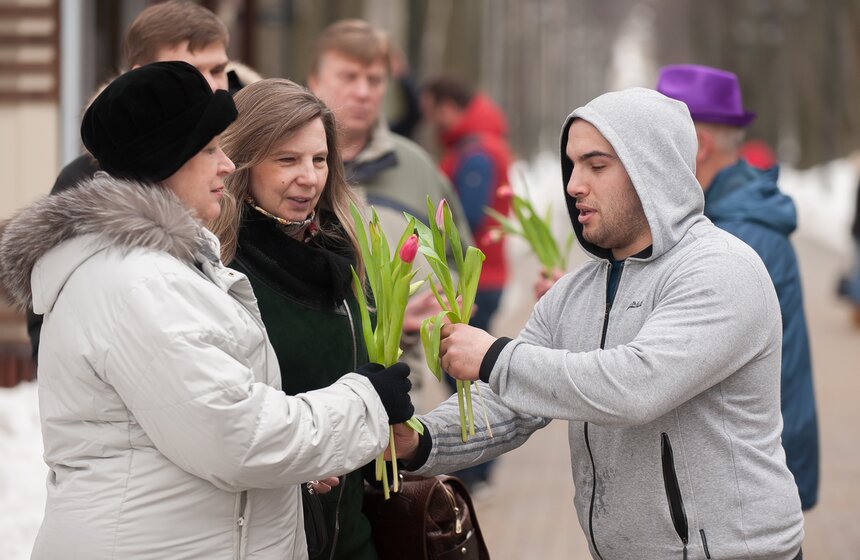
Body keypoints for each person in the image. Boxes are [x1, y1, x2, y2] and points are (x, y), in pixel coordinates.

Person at [0, 61, 414, 559]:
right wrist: (366, 402)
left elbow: (194, 437)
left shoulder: (163, 267)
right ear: (166, 161)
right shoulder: (137, 284)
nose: (226, 164)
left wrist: (291, 475)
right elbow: (238, 439)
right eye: (210, 149)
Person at [392, 88, 805, 560]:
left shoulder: (720, 269)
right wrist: (421, 440)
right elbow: (509, 403)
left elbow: (635, 386)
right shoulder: (576, 293)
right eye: (572, 165)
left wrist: (493, 356)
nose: (573, 184)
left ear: (652, 170)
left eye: (597, 165)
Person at [209, 78, 398, 559]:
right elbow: (226, 424)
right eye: (287, 160)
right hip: (268, 536)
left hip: (350, 533)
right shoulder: (223, 272)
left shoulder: (343, 253)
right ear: (243, 164)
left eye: (318, 159)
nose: (309, 177)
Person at [26, 0, 252, 363]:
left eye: (219, 69)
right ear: (141, 75)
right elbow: (53, 326)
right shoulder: (86, 180)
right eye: (189, 71)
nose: (209, 85)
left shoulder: (254, 158)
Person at [657, 63, 819, 510]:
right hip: (754, 464)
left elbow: (674, 358)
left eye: (658, 140)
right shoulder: (730, 219)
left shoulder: (736, 238)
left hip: (749, 478)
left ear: (699, 145)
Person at [306, 19, 473, 251]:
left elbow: (460, 261)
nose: (363, 92)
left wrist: (447, 287)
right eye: (349, 77)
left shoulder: (419, 169)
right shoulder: (285, 166)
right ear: (315, 81)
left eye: (374, 80)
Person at [420, 76, 513, 490]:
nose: (431, 120)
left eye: (433, 109)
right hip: (482, 274)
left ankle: (475, 462)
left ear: (447, 105)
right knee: (464, 366)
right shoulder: (474, 144)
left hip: (476, 277)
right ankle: (477, 460)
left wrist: (430, 244)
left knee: (463, 367)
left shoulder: (477, 152)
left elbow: (466, 220)